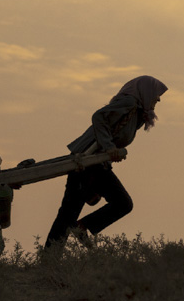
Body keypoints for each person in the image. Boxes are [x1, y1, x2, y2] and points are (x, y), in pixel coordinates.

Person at [45, 75, 168, 247]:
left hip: (98, 164)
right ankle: (49, 259)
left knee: (122, 203)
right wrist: (110, 148)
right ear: (146, 91)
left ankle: (81, 227)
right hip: (86, 161)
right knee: (69, 212)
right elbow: (98, 117)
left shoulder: (139, 114)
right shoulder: (129, 103)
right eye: (157, 94)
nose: (159, 98)